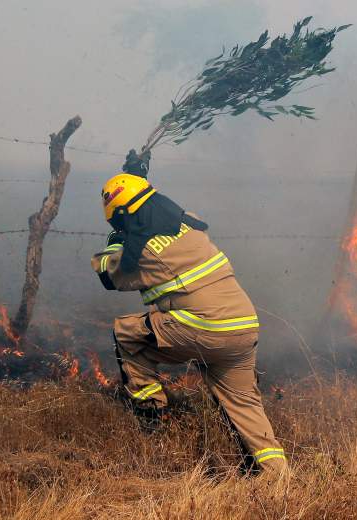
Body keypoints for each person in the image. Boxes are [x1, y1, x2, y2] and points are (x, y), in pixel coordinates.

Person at [91, 150, 287, 475]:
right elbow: (150, 209)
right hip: (243, 329)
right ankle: (278, 479)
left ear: (123, 218)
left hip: (205, 329)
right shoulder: (190, 224)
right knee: (245, 407)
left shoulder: (147, 254)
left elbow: (108, 275)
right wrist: (138, 176)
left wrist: (115, 240)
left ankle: (152, 414)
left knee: (127, 333)